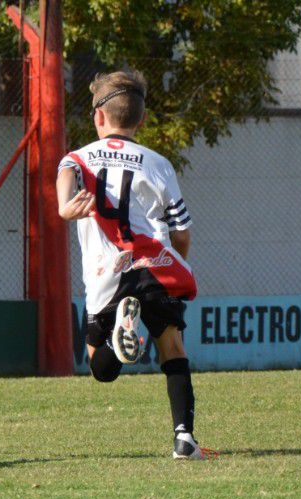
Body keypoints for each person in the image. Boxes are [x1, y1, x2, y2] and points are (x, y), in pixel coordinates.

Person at [57, 70, 213, 460]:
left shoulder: (78, 157)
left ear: (97, 117)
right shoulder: (158, 163)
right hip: (154, 261)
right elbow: (181, 231)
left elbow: (66, 174)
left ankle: (116, 342)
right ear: (141, 120)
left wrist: (64, 205)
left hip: (108, 272)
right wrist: (175, 269)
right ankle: (184, 439)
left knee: (101, 367)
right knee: (172, 345)